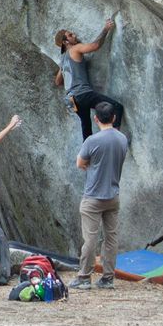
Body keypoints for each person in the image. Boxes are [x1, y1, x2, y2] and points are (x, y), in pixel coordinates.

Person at [70, 102, 129, 290]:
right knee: (111, 238)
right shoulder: (122, 139)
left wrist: (92, 166)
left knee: (91, 239)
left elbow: (80, 163)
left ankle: (84, 277)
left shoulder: (92, 141)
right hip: (113, 196)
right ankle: (108, 277)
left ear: (96, 119)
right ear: (113, 118)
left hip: (93, 197)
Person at [55, 19, 124, 140]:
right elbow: (95, 46)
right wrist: (106, 29)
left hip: (71, 100)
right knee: (116, 106)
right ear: (65, 42)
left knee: (86, 126)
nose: (74, 35)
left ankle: (87, 154)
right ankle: (113, 139)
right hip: (82, 94)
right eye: (70, 35)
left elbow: (57, 82)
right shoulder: (75, 49)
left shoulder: (62, 60)